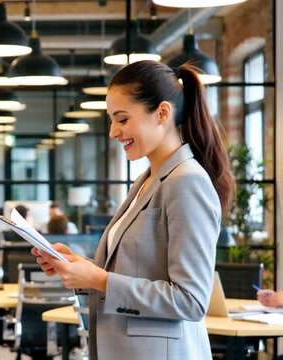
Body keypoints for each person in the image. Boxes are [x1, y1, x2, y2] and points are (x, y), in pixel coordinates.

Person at [32, 61, 234, 359]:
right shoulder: (147, 180)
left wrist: (97, 279)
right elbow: (138, 269)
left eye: (122, 119)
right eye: (111, 120)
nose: (113, 132)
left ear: (162, 113)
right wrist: (77, 265)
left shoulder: (186, 181)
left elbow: (189, 301)